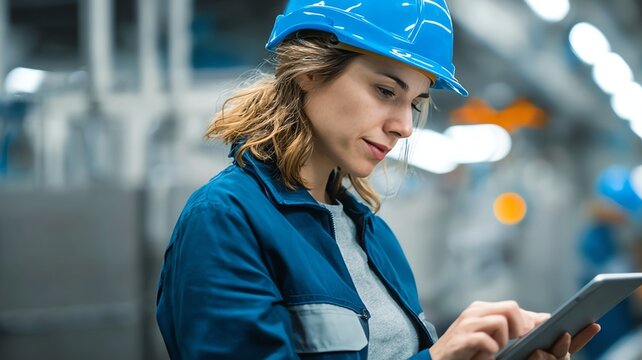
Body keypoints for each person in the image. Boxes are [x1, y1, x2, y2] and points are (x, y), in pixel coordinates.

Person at [155, 1, 599, 359]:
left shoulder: (372, 235)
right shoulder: (226, 221)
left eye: (416, 102)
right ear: (310, 69)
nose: (405, 126)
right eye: (386, 91)